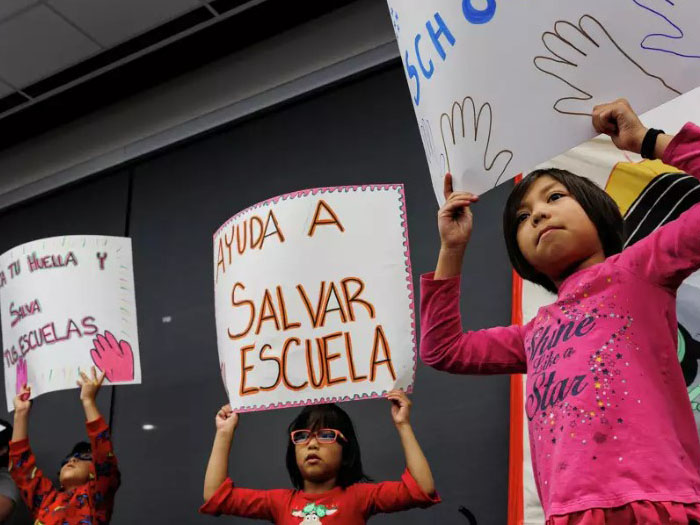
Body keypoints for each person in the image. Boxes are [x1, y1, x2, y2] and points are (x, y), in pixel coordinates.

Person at [420, 98, 700, 523]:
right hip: (571, 515)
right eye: (522, 217)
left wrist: (647, 140)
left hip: (658, 503)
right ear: (520, 253)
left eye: (554, 197)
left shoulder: (640, 269)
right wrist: (452, 248)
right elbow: (442, 350)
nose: (539, 215)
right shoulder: (533, 334)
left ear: (597, 208)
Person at [201, 390, 439, 523]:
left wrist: (403, 425)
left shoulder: (360, 497)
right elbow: (215, 496)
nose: (312, 443)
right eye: (302, 436)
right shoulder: (279, 502)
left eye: (325, 434)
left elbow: (422, 488)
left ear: (346, 451)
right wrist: (224, 433)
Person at [9, 367, 120, 524]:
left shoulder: (96, 500)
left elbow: (103, 456)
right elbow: (21, 469)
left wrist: (88, 401)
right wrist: (20, 413)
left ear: (95, 473)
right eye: (68, 460)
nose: (72, 461)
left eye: (84, 458)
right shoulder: (45, 501)